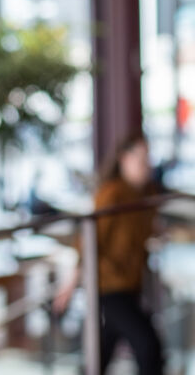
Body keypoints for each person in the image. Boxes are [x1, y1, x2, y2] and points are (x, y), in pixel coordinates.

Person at [56, 132, 165, 375]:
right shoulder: (111, 194)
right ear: (124, 159)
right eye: (141, 158)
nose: (146, 164)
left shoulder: (146, 194)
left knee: (104, 351)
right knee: (148, 346)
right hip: (110, 287)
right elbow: (90, 239)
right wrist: (69, 285)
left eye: (148, 157)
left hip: (131, 284)